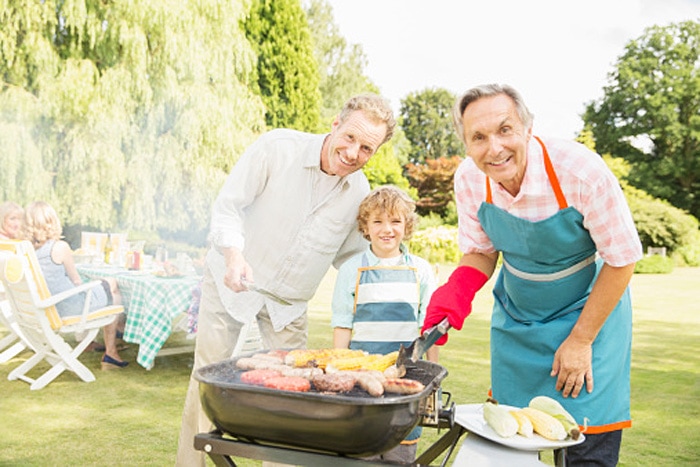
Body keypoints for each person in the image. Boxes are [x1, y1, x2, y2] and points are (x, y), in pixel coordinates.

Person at [421, 84, 642, 466]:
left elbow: (622, 258)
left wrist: (581, 340)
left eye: (505, 130)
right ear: (466, 143)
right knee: (506, 441)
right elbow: (480, 250)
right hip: (519, 319)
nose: (494, 148)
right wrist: (454, 294)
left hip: (588, 313)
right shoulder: (470, 180)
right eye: (478, 137)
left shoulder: (579, 170)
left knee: (584, 443)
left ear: (527, 128)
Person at [175, 93, 396, 466]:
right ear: (336, 124)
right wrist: (233, 256)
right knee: (207, 382)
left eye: (367, 148)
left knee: (294, 400)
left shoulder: (359, 192)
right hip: (231, 282)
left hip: (288, 305)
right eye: (350, 138)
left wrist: (389, 280)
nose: (354, 152)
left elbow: (350, 260)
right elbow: (229, 207)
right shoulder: (277, 148)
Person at [331, 185, 437, 464]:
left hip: (406, 375)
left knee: (400, 453)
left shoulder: (421, 271)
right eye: (377, 221)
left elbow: (429, 328)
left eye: (395, 221)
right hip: (362, 374)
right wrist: (338, 372)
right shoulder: (351, 269)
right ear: (366, 226)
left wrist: (434, 375)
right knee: (362, 449)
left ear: (407, 225)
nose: (386, 229)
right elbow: (343, 324)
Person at [22, 201, 128, 369]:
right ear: (52, 222)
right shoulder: (59, 247)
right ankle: (111, 351)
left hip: (45, 308)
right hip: (67, 308)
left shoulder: (25, 251)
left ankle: (93, 341)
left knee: (108, 286)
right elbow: (76, 281)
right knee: (114, 290)